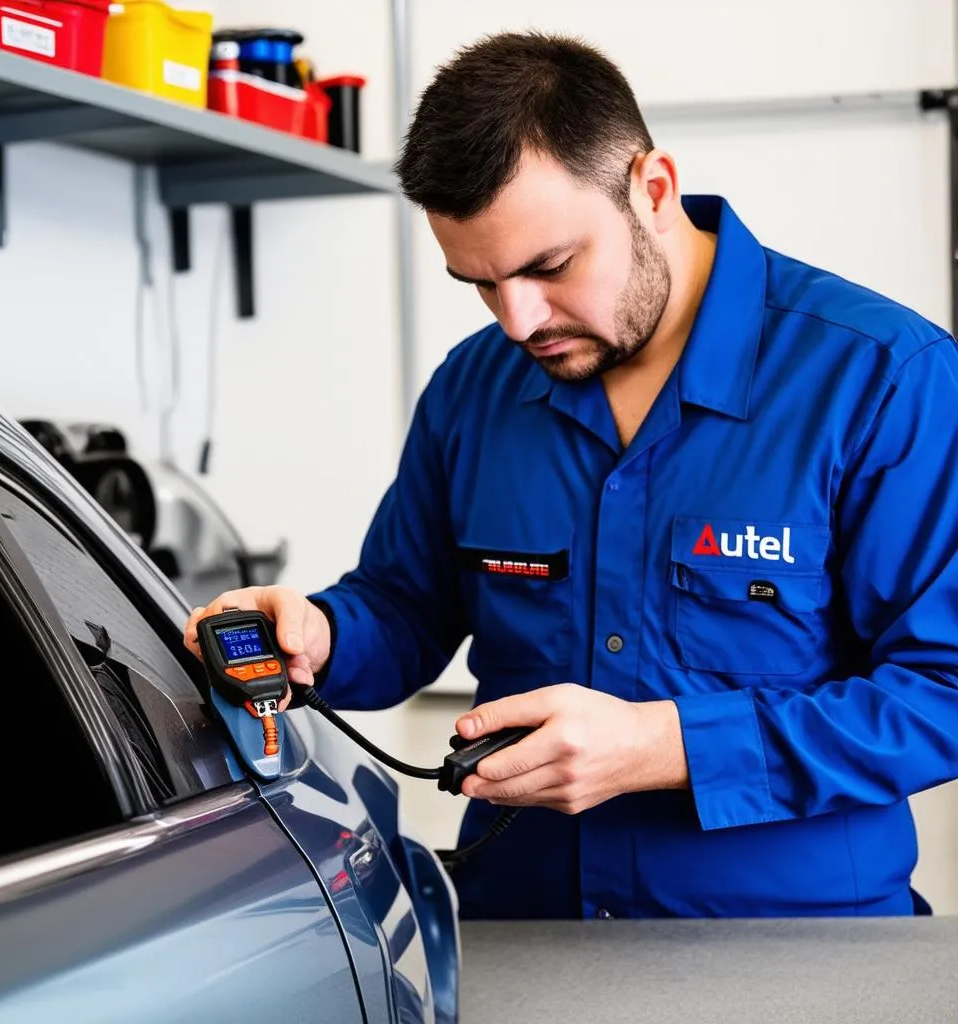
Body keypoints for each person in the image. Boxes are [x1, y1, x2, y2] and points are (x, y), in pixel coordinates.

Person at [185, 31, 958, 920]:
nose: (518, 321)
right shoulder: (474, 388)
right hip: (522, 935)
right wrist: (320, 631)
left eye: (549, 267)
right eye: (480, 283)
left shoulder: (881, 379)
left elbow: (943, 692)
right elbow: (408, 604)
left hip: (794, 955)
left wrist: (668, 746)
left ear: (652, 189)